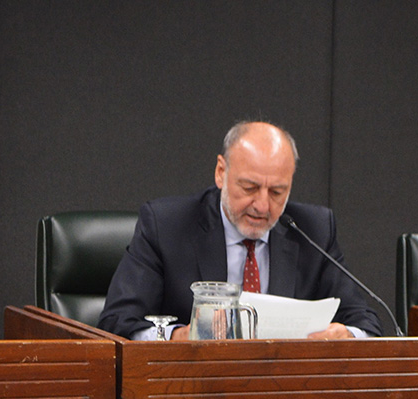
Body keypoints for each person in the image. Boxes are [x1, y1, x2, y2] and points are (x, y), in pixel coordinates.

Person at [98, 120, 382, 340]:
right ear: (221, 173)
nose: (262, 205)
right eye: (249, 188)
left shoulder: (314, 230)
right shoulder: (167, 225)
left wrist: (346, 336)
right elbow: (116, 322)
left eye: (277, 192)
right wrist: (176, 337)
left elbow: (366, 323)